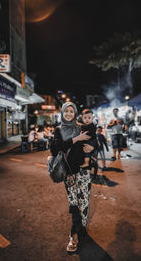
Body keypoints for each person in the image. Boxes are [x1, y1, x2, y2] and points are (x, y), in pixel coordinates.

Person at [50, 102, 94, 252]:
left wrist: (94, 147)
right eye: (66, 111)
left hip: (84, 172)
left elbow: (95, 139)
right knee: (74, 204)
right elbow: (56, 148)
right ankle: (73, 236)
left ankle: (81, 229)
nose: (68, 113)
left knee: (84, 204)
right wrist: (76, 139)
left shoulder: (81, 127)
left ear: (75, 113)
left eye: (71, 111)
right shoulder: (59, 129)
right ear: (62, 113)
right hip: (69, 173)